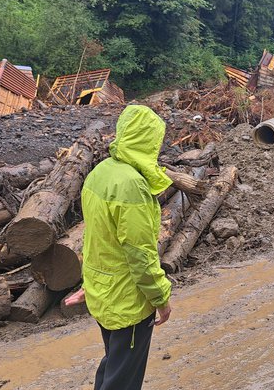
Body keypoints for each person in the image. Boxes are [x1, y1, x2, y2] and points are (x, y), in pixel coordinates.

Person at [65, 104, 173, 390]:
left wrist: (90, 283)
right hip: (129, 301)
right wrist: (161, 298)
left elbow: (98, 239)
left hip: (104, 292)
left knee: (114, 365)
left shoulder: (100, 172)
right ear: (149, 140)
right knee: (123, 380)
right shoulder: (132, 186)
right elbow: (141, 255)